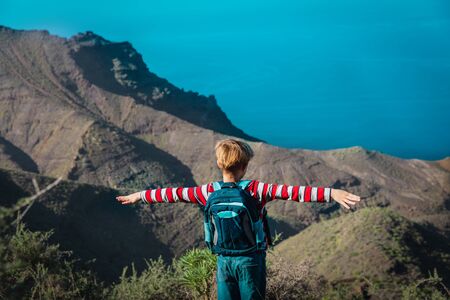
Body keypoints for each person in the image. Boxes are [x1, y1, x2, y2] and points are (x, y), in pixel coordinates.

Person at [116, 138, 361, 299]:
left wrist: (139, 195)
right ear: (244, 166)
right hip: (251, 261)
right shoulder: (255, 190)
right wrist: (333, 193)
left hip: (223, 259)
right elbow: (295, 193)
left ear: (219, 164)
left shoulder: (207, 191)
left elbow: (171, 194)